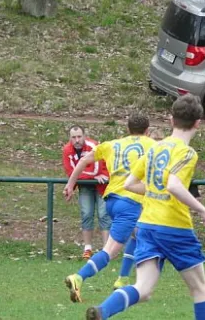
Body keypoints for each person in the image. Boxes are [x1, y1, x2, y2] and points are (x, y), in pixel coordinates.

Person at [85, 94, 205, 320]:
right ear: (198, 122)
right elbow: (174, 185)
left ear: (171, 120)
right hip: (175, 227)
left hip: (147, 225)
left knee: (143, 289)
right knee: (200, 290)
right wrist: (203, 210)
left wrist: (156, 191)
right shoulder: (186, 153)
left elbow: (130, 184)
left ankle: (103, 311)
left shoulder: (154, 149)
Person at [63, 114, 156, 302]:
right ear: (147, 130)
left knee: (139, 233)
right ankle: (79, 277)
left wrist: (70, 184)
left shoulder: (112, 144)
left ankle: (122, 279)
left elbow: (83, 161)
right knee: (110, 251)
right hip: (130, 201)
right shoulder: (153, 145)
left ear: (128, 130)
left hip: (112, 199)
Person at [62, 125, 111, 259]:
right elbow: (70, 172)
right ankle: (87, 248)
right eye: (74, 137)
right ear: (70, 138)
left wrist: (79, 176)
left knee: (103, 214)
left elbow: (96, 169)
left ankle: (106, 250)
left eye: (79, 137)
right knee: (86, 213)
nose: (77, 140)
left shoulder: (93, 146)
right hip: (85, 185)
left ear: (84, 136)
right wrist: (86, 177)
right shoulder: (67, 150)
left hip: (103, 183)